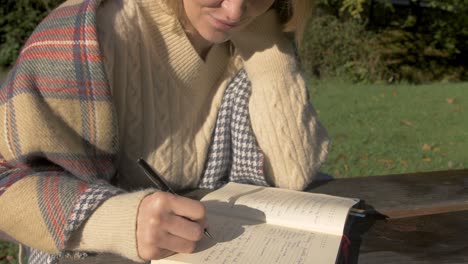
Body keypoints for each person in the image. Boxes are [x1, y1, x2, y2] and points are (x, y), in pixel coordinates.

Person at [0, 0, 329, 263]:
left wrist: (271, 59)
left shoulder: (251, 38)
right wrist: (117, 219)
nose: (235, 11)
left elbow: (291, 174)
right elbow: (6, 183)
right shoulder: (86, 35)